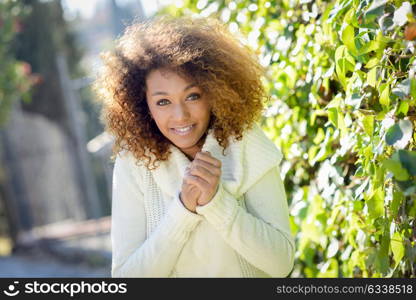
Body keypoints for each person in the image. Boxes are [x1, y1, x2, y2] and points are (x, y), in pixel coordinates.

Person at [93, 15, 295, 278]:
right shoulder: (134, 163)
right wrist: (183, 210)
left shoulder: (247, 142)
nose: (181, 116)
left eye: (192, 96)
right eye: (163, 101)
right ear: (144, 105)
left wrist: (216, 202)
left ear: (214, 93)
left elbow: (281, 264)